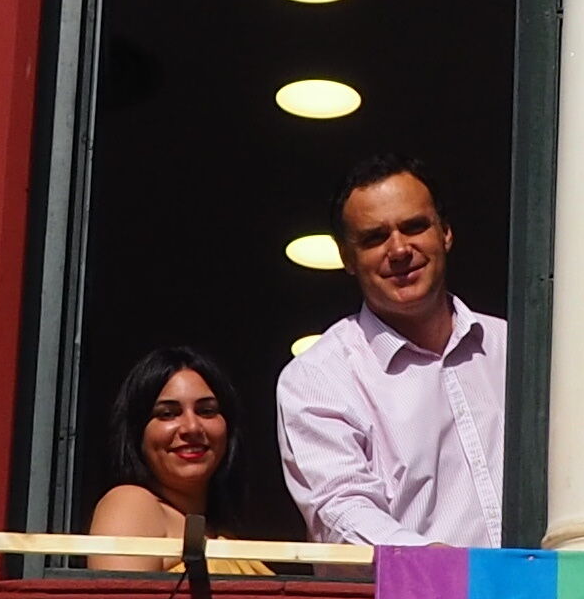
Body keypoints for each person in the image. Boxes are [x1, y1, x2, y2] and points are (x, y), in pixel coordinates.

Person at [280, 153, 510, 548]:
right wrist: (431, 562)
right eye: (374, 238)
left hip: (549, 598)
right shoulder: (318, 377)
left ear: (446, 233)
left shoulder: (515, 349)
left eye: (414, 227)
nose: (400, 249)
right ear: (347, 259)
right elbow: (340, 508)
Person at [86, 341, 284, 573]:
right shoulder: (132, 504)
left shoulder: (222, 532)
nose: (191, 427)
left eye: (206, 411)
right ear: (137, 433)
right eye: (168, 414)